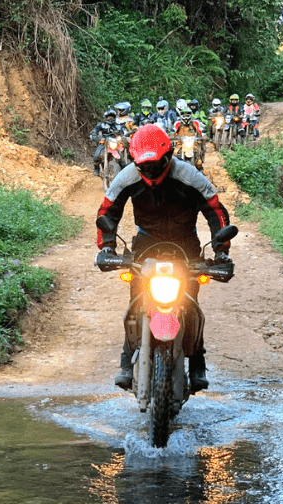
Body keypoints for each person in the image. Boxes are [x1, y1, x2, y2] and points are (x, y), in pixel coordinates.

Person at [95, 124, 233, 392]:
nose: (150, 171)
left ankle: (197, 363)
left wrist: (222, 252)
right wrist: (107, 248)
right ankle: (126, 360)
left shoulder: (189, 176)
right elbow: (107, 212)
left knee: (190, 302)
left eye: (155, 165)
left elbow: (215, 210)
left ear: (168, 157)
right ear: (135, 162)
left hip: (186, 243)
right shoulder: (126, 177)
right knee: (137, 298)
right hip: (146, 242)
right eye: (143, 166)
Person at [89, 106, 123, 176]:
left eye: (112, 117)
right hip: (104, 143)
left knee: (122, 161)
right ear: (105, 117)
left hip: (115, 144)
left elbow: (123, 133)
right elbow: (94, 131)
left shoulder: (118, 126)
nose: (110, 118)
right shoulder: (101, 124)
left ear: (114, 117)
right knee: (96, 156)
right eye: (108, 117)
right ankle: (96, 169)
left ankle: (124, 174)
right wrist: (95, 136)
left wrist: (123, 138)